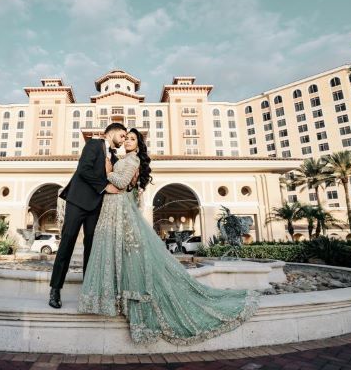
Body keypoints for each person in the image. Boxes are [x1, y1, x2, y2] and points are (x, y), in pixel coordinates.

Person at [78, 128, 259, 345]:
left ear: (139, 145)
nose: (127, 141)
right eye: (126, 138)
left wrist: (106, 171)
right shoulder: (122, 158)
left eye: (132, 139)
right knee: (118, 251)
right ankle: (116, 299)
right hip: (112, 208)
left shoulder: (133, 160)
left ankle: (132, 302)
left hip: (119, 209)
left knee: (130, 253)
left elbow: (122, 182)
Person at [48, 123, 127, 309]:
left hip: (96, 207)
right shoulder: (93, 144)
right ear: (112, 132)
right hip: (78, 201)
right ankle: (55, 290)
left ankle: (88, 292)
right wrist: (104, 186)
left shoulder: (115, 158)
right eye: (122, 136)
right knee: (66, 244)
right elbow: (84, 170)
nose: (123, 140)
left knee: (91, 249)